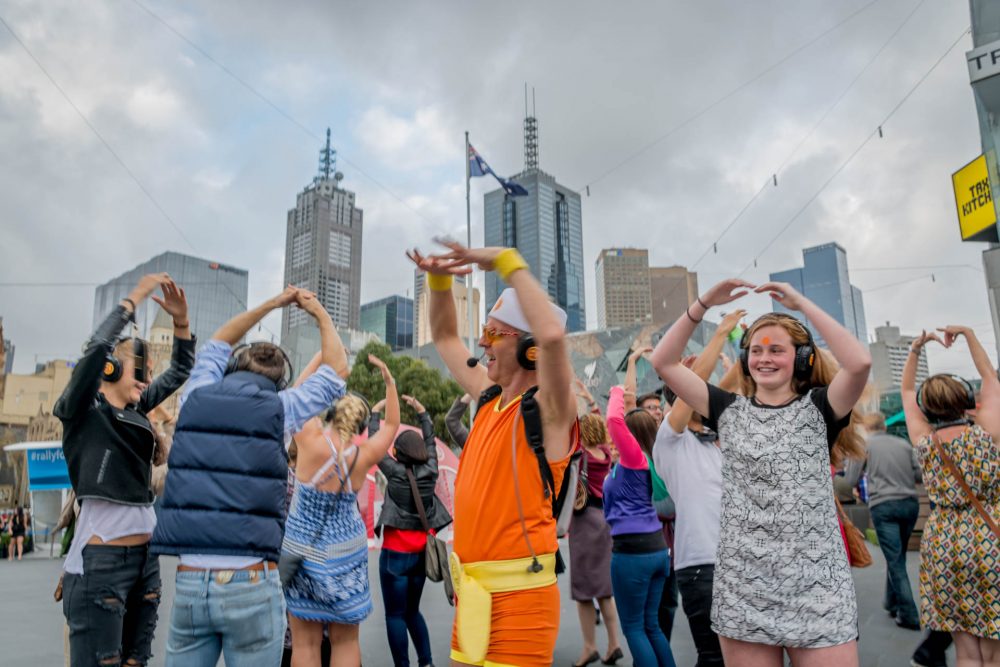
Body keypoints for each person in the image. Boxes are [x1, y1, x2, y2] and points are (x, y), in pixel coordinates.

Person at [651, 279, 870, 666]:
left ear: (802, 359)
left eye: (777, 350)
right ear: (744, 357)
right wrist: (702, 304)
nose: (764, 358)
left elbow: (859, 363)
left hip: (817, 590)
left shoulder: (821, 408)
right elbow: (664, 362)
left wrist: (802, 302)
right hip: (744, 590)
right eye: (756, 350)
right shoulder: (726, 408)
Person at [150, 286, 348, 666]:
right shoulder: (282, 408)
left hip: (192, 578)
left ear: (233, 367)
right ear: (280, 380)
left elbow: (218, 342)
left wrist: (272, 303)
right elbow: (337, 370)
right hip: (250, 579)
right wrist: (318, 311)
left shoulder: (197, 394)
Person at [407, 241, 577, 667]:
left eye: (493, 333)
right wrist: (440, 278)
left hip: (521, 602)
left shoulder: (550, 409)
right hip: (473, 595)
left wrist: (506, 262)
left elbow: (554, 336)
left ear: (528, 348)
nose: (481, 343)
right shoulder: (488, 398)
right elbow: (445, 335)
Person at [55, 273, 194, 667]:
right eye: (140, 369)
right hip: (103, 563)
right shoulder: (82, 412)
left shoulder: (134, 412)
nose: (148, 379)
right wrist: (135, 297)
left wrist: (181, 323)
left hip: (145, 561)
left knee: (136, 662)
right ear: (110, 370)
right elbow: (98, 346)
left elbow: (180, 369)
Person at [282, 354, 398, 666]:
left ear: (330, 414)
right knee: (345, 642)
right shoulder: (364, 454)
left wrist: (321, 356)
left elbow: (297, 392)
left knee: (305, 645)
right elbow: (392, 425)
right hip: (347, 552)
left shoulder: (309, 439)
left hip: (302, 550)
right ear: (361, 425)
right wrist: (389, 383)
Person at [902, 325, 1000, 666]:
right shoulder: (989, 431)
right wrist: (969, 335)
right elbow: (989, 374)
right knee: (994, 649)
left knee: (966, 651)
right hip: (989, 539)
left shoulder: (924, 441)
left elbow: (906, 391)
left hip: (943, 542)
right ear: (968, 400)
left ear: (925, 406)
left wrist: (915, 350)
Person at [653, 309, 745, 667]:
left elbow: (732, 381)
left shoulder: (713, 443)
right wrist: (720, 331)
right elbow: (697, 390)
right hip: (701, 567)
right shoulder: (671, 442)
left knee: (743, 656)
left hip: (739, 562)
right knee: (714, 658)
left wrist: (746, 345)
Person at [369, 393, 451, 667]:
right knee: (412, 611)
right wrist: (422, 412)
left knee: (394, 615)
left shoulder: (393, 471)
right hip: (421, 553)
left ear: (398, 453)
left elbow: (374, 446)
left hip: (394, 555)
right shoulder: (431, 470)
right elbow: (430, 440)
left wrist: (374, 416)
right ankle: (426, 662)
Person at [603, 384, 676, 666]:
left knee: (634, 628)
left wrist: (617, 391)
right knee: (650, 626)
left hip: (633, 553)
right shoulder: (641, 461)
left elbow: (612, 419)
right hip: (655, 550)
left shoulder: (636, 459)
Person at [843, 412, 923, 630]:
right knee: (897, 556)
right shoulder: (904, 444)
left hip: (883, 506)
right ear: (884, 427)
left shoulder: (863, 446)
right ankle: (891, 602)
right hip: (909, 504)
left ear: (867, 428)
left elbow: (850, 479)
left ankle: (909, 614)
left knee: (895, 560)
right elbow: (919, 475)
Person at [623, 345, 679, 644]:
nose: (657, 411)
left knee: (667, 605)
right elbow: (628, 400)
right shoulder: (635, 453)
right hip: (645, 540)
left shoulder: (669, 443)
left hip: (670, 542)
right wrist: (632, 361)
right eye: (651, 409)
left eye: (659, 407)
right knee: (646, 613)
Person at [569, 413, 622, 667]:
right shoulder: (605, 454)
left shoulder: (582, 456)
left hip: (585, 520)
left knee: (583, 590)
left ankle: (589, 646)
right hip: (605, 518)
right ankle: (614, 643)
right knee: (604, 590)